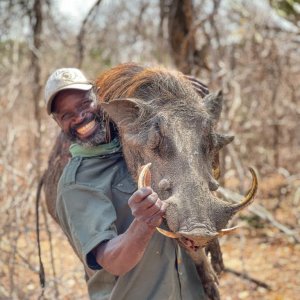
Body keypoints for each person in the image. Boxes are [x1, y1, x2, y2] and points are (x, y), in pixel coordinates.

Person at [44, 66, 208, 300]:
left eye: (83, 104)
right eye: (66, 115)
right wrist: (143, 224)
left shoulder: (134, 146)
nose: (79, 117)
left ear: (99, 98)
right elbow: (112, 261)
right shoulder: (78, 184)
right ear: (58, 124)